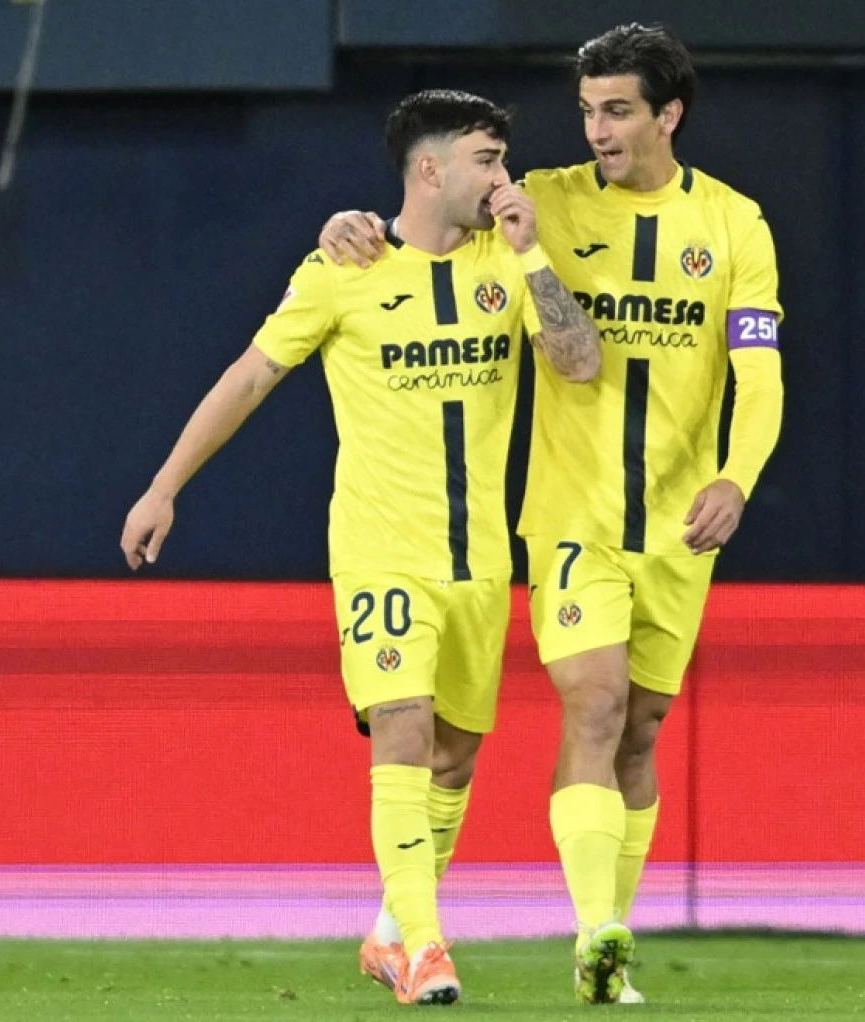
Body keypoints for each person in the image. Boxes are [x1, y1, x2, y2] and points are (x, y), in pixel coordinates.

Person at [319, 23, 784, 1005]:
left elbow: (759, 373)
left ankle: (579, 954)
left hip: (680, 525)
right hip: (571, 517)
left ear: (668, 114)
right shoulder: (541, 203)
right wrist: (348, 226)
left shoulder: (735, 224)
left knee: (640, 731)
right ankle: (596, 930)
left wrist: (737, 476)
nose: (597, 130)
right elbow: (429, 220)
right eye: (585, 111)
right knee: (597, 702)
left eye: (616, 110)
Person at [120, 89, 599, 1006]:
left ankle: (387, 934)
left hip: (480, 559)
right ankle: (426, 947)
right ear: (429, 168)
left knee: (454, 756)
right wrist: (164, 486)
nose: (502, 177)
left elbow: (578, 363)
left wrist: (533, 251)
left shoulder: (507, 258)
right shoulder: (344, 267)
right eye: (487, 159)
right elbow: (251, 376)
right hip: (381, 551)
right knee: (402, 727)